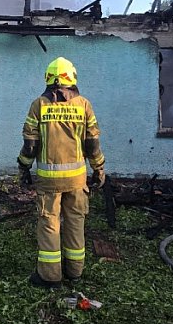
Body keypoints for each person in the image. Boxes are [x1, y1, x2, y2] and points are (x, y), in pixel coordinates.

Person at [17, 56, 106, 288]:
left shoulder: (39, 105)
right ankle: (74, 272)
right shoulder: (84, 105)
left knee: (49, 223)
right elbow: (92, 144)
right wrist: (99, 169)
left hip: (48, 182)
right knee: (76, 222)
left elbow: (30, 145)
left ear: (48, 78)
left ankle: (49, 277)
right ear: (72, 78)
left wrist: (23, 166)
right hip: (77, 179)